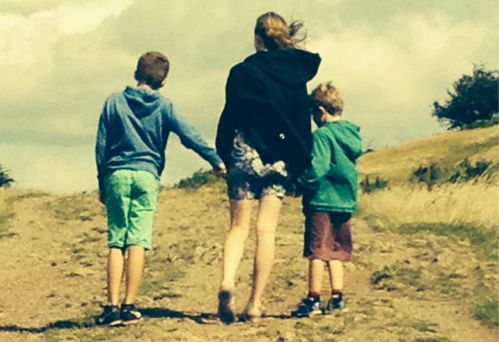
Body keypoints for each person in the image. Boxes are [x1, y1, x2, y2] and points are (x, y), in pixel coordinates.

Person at [95, 51, 225, 326]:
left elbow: (101, 145)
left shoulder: (113, 102)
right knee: (138, 240)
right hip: (147, 175)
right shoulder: (165, 106)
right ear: (163, 81)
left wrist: (102, 182)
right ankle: (129, 305)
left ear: (135, 73)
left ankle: (111, 307)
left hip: (116, 174)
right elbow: (189, 135)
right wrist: (215, 159)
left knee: (116, 240)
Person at [215, 12, 321, 323]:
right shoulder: (296, 75)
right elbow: (300, 121)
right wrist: (301, 161)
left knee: (238, 228)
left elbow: (229, 116)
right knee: (266, 231)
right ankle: (255, 304)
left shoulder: (241, 72)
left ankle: (226, 282)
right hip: (279, 159)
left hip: (244, 153)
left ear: (257, 38)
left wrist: (223, 154)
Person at [291, 82, 362, 317]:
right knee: (337, 251)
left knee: (317, 252)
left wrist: (300, 183)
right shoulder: (351, 135)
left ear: (320, 112)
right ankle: (337, 298)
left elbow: (317, 169)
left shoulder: (322, 135)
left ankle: (313, 299)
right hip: (345, 201)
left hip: (321, 200)